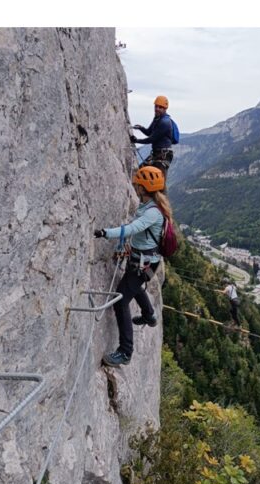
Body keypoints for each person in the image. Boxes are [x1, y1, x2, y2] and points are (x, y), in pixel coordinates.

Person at [93, 166, 174, 366]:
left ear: (144, 187)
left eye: (138, 183)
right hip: (142, 261)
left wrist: (105, 233)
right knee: (133, 287)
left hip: (142, 264)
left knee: (121, 301)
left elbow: (132, 229)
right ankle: (149, 315)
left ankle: (125, 351)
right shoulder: (148, 205)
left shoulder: (152, 213)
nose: (135, 185)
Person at [131, 95, 176, 176]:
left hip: (163, 155)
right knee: (140, 173)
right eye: (156, 106)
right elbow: (149, 132)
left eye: (160, 107)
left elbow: (151, 139)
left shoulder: (165, 122)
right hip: (157, 154)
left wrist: (137, 140)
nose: (157, 109)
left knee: (158, 180)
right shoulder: (157, 118)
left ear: (165, 109)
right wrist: (141, 128)